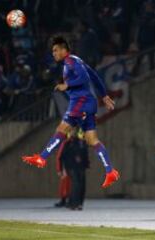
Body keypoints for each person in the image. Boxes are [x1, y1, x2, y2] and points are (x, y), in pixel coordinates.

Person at [22, 36, 120, 188]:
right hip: (89, 102)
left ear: (63, 50)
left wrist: (66, 86)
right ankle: (110, 171)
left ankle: (42, 158)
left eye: (55, 50)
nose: (53, 53)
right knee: (92, 140)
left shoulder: (70, 62)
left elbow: (82, 78)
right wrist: (104, 95)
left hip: (80, 102)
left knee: (61, 129)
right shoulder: (77, 60)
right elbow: (93, 75)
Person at [56, 128, 89, 210]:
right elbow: (61, 157)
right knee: (75, 185)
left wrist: (86, 163)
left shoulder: (82, 142)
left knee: (81, 186)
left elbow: (85, 154)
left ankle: (79, 203)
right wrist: (60, 169)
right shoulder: (67, 143)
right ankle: (74, 203)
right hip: (71, 167)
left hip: (81, 167)